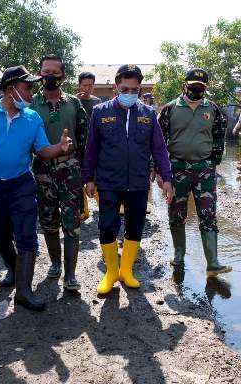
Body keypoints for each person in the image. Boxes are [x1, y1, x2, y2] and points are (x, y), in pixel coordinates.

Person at [0, 66, 73, 311]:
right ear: (12, 89)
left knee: (27, 237)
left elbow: (42, 150)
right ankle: (12, 267)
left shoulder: (31, 117)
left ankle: (23, 291)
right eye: (27, 87)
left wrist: (59, 148)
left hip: (21, 185)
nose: (32, 92)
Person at [82, 64, 174, 295]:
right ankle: (111, 271)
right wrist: (88, 178)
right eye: (126, 88)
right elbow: (91, 148)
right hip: (108, 181)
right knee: (107, 226)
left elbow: (159, 149)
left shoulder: (148, 114)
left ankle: (126, 271)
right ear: (115, 87)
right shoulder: (100, 112)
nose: (131, 94)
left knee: (135, 226)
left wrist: (167, 178)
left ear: (140, 89)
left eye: (135, 90)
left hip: (138, 182)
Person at [157, 68, 231, 276]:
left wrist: (214, 161)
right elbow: (159, 142)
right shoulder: (170, 109)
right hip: (177, 169)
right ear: (185, 85)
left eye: (201, 88)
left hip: (204, 170)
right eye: (193, 86)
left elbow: (219, 136)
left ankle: (213, 262)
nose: (196, 90)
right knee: (176, 213)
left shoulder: (213, 109)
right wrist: (160, 171)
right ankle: (179, 254)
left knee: (208, 214)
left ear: (205, 88)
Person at [30, 54, 88, 292]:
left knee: (71, 223)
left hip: (70, 169)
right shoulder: (30, 104)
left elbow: (84, 139)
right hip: (41, 170)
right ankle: (55, 263)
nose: (49, 77)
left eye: (54, 73)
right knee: (48, 221)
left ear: (63, 77)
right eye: (45, 72)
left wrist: (86, 173)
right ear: (39, 74)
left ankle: (71, 275)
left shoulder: (74, 103)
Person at [75, 71, 102, 221]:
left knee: (96, 177)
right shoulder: (72, 101)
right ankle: (83, 210)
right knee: (78, 179)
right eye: (84, 85)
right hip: (78, 146)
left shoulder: (97, 102)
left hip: (95, 145)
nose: (87, 88)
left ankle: (105, 207)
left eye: (90, 85)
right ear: (79, 85)